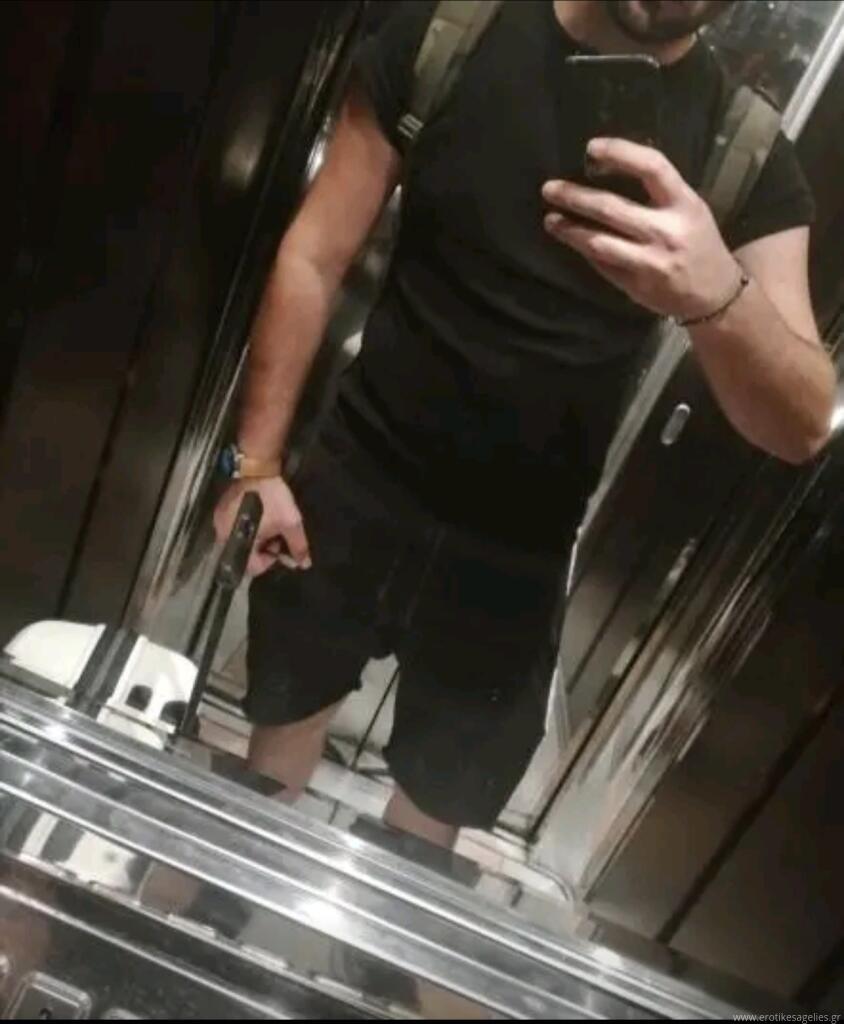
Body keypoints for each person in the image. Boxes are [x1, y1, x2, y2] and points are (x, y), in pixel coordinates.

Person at [214, 0, 836, 849]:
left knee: (432, 822)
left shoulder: (747, 152)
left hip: (521, 548)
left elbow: (804, 424)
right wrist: (254, 467)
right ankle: (222, 898)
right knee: (272, 755)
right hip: (359, 477)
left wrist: (716, 293)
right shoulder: (447, 36)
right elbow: (315, 254)